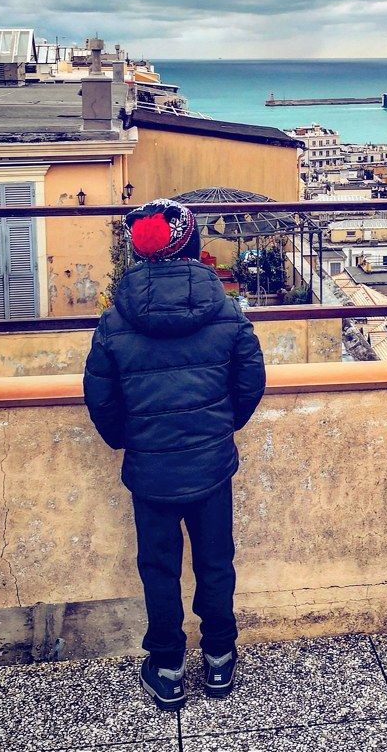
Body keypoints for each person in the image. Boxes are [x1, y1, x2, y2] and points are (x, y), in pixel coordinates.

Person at [83, 198, 266, 710]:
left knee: (158, 568)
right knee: (216, 562)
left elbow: (100, 396)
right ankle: (220, 660)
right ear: (192, 246)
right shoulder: (226, 312)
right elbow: (250, 381)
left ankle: (167, 668)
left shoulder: (114, 320)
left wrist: (130, 440)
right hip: (211, 465)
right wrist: (221, 428)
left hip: (151, 470)